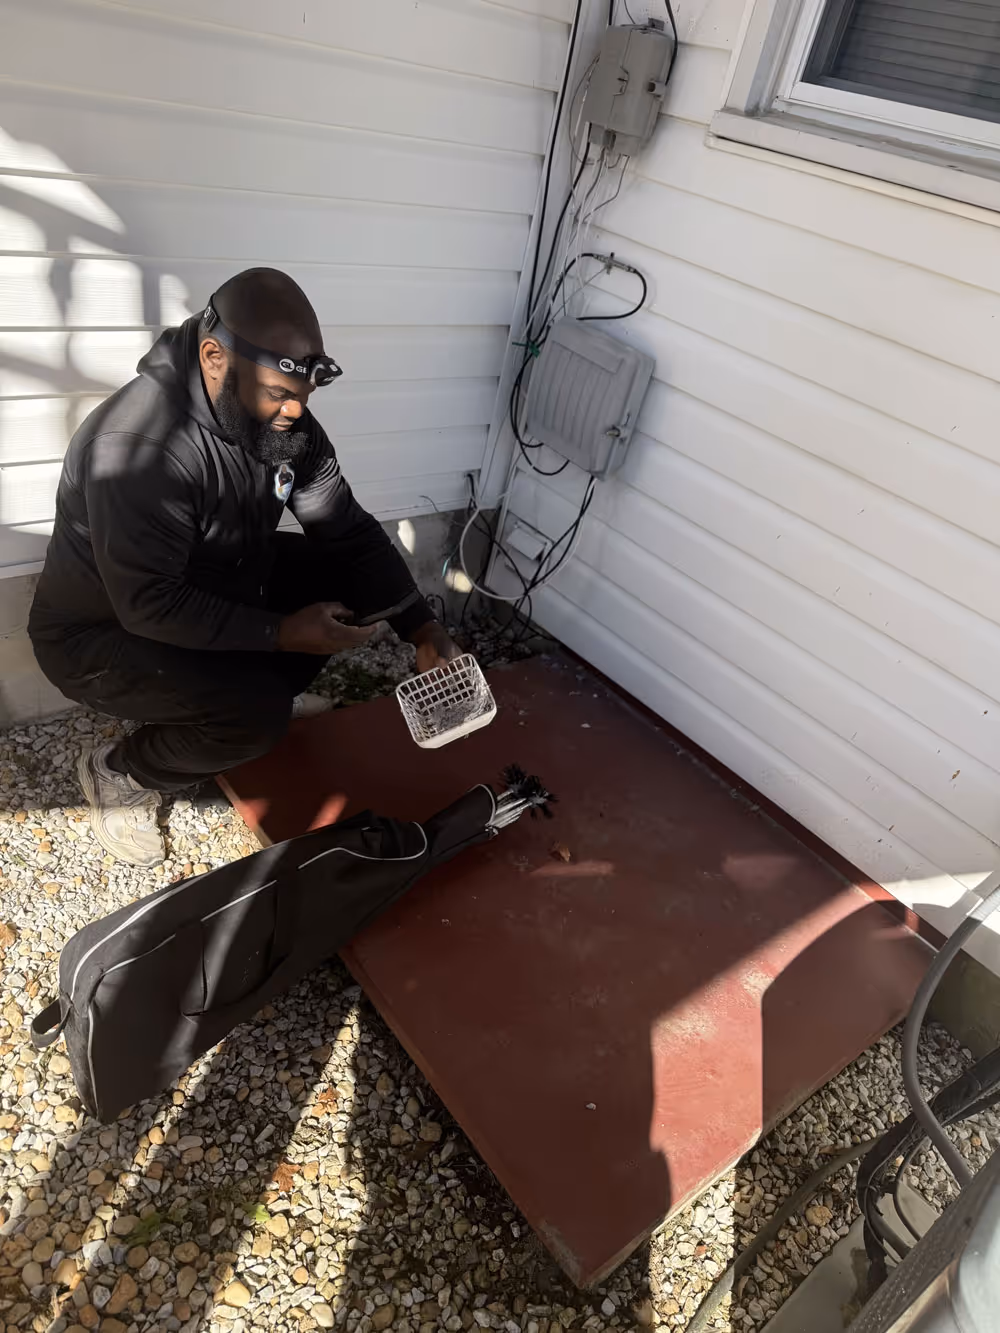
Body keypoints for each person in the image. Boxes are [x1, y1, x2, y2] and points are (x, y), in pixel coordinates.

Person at [28, 267, 459, 868]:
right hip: (103, 634)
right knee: (254, 716)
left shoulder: (280, 421)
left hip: (213, 581)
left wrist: (421, 627)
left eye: (303, 396)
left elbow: (345, 528)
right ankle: (124, 771)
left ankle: (246, 698)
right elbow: (149, 603)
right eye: (278, 394)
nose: (294, 411)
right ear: (215, 358)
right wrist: (282, 633)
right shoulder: (139, 449)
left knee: (343, 580)